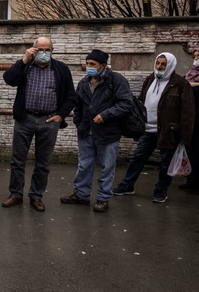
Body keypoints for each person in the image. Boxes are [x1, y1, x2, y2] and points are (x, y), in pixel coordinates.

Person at [2, 37, 76, 212]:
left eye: (47, 50)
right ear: (33, 50)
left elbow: (71, 96)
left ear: (52, 50)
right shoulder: (26, 66)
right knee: (18, 160)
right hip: (25, 119)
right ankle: (16, 194)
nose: (44, 53)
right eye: (40, 49)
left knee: (43, 163)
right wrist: (23, 60)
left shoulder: (61, 69)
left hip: (48, 121)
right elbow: (9, 79)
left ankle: (36, 196)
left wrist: (60, 115)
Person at [112, 53, 195, 202]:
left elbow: (188, 112)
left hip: (168, 132)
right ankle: (127, 185)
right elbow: (141, 102)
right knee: (137, 158)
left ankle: (161, 191)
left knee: (165, 164)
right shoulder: (150, 79)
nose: (159, 67)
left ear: (170, 65)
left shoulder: (180, 84)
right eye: (158, 63)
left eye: (163, 64)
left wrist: (184, 137)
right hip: (147, 130)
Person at [60, 49, 133, 212]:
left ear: (103, 66)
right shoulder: (84, 83)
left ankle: (103, 198)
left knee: (107, 167)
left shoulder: (116, 80)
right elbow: (77, 105)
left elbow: (126, 104)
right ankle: (81, 194)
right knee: (84, 165)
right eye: (87, 63)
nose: (88, 67)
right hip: (86, 131)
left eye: (92, 64)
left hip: (108, 132)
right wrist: (79, 123)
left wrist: (105, 115)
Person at [179, 48, 199, 190]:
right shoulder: (191, 74)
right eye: (195, 55)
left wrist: (190, 86)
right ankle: (191, 181)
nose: (196, 58)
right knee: (190, 149)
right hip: (190, 119)